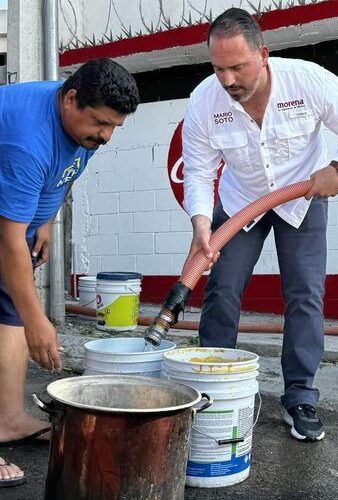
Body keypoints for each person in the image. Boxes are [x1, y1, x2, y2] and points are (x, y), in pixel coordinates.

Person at [183, 8, 338, 442]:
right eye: (219, 69)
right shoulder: (203, 100)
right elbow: (197, 170)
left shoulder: (306, 80)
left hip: (303, 197)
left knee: (305, 293)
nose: (229, 80)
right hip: (240, 204)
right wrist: (200, 221)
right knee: (223, 289)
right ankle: (215, 387)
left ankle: (300, 396)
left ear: (263, 54)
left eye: (238, 67)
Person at [0, 58, 139, 487]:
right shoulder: (28, 141)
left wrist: (45, 219)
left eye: (115, 126)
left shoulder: (79, 122)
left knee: (8, 313)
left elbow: (64, 174)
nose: (106, 135)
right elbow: (8, 245)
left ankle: (7, 420)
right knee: (22, 312)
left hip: (14, 221)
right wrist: (38, 320)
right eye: (100, 123)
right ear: (72, 99)